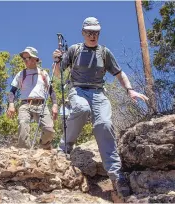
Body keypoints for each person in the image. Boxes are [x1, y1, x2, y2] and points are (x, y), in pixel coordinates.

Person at [52, 17, 149, 198]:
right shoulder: (74, 50)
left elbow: (119, 73)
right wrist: (56, 61)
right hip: (77, 89)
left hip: (98, 93)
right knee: (81, 109)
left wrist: (130, 90)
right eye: (89, 32)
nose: (92, 35)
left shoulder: (104, 52)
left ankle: (116, 176)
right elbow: (57, 75)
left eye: (96, 32)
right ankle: (64, 148)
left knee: (104, 124)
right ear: (83, 33)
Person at [7, 46, 58, 150]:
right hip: (25, 104)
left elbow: (51, 90)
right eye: (24, 58)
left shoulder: (43, 73)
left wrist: (55, 104)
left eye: (28, 58)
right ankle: (24, 152)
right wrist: (11, 104)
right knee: (22, 125)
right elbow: (12, 91)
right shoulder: (21, 74)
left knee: (49, 129)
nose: (25, 60)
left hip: (41, 105)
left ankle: (44, 146)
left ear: (35, 59)